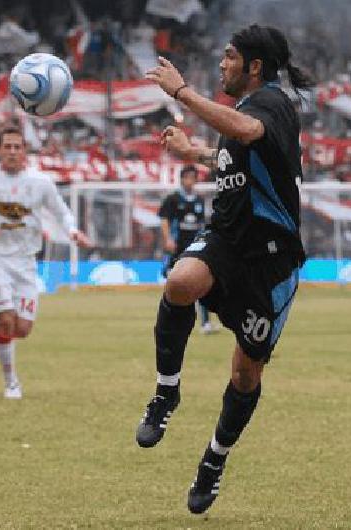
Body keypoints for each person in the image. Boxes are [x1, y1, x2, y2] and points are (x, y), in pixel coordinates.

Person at [137, 24, 314, 514]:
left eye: (229, 57)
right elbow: (237, 157)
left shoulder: (271, 104)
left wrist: (181, 92)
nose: (222, 65)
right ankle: (166, 393)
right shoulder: (245, 110)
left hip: (271, 261)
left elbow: (247, 134)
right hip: (227, 239)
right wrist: (193, 153)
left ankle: (213, 461)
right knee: (179, 282)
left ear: (254, 67)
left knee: (245, 373)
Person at [0, 126, 92, 399]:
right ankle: (11, 382)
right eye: (8, 147)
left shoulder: (41, 182)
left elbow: (61, 212)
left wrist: (72, 231)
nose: (13, 152)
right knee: (6, 321)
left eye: (18, 147)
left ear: (25, 150)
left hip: (27, 261)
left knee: (22, 329)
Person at [158, 165, 217, 334]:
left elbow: (200, 224)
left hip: (195, 248)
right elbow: (164, 219)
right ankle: (170, 321)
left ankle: (205, 323)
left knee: (201, 285)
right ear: (182, 179)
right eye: (188, 177)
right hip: (177, 248)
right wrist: (168, 238)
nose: (191, 181)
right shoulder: (173, 199)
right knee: (173, 283)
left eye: (194, 177)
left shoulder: (199, 200)